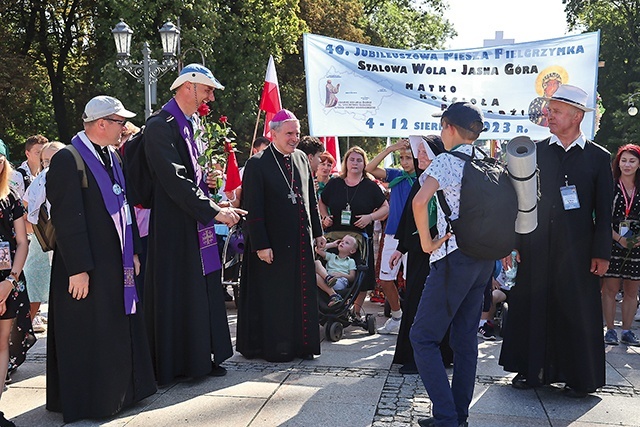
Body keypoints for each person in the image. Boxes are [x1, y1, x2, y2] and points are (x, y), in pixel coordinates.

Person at [46, 95, 156, 422]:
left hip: (115, 264)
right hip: (87, 267)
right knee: (90, 332)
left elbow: (126, 207)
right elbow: (67, 218)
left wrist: (133, 251)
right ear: (101, 124)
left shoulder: (113, 156)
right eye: (120, 122)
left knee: (116, 328)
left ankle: (122, 393)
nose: (125, 128)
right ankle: (92, 401)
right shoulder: (69, 158)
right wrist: (78, 269)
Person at [499, 84, 613, 398]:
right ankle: (531, 371)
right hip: (535, 246)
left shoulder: (598, 158)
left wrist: (602, 252)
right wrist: (514, 242)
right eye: (549, 110)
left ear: (577, 116)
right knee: (533, 306)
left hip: (578, 251)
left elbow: (604, 211)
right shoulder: (534, 151)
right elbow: (518, 201)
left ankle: (579, 377)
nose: (549, 115)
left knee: (576, 310)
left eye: (557, 111)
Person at [143, 64, 244, 385]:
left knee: (201, 289)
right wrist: (213, 211)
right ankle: (176, 365)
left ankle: (201, 358)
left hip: (195, 222)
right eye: (209, 90)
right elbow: (174, 179)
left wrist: (215, 199)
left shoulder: (191, 123)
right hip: (174, 227)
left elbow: (192, 177)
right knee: (180, 291)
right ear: (189, 87)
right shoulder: (160, 125)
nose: (212, 97)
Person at [411, 102, 495, 427]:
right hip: (481, 260)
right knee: (465, 341)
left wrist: (425, 242)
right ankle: (458, 416)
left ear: (448, 126)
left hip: (452, 258)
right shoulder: (486, 161)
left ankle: (446, 418)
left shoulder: (446, 161)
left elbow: (420, 201)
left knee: (422, 337)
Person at [236, 109, 325, 362]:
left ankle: (302, 345)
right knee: (277, 297)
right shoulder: (257, 164)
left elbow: (310, 199)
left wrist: (318, 233)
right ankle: (278, 348)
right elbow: (253, 208)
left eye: (297, 133)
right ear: (273, 133)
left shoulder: (300, 159)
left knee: (301, 295)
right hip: (272, 245)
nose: (294, 138)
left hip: (301, 242)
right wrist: (261, 245)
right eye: (289, 133)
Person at [389, 135, 451, 374]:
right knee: (415, 303)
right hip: (418, 256)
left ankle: (438, 355)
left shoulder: (445, 181)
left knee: (437, 305)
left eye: (425, 152)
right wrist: (400, 248)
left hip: (442, 253)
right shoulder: (420, 182)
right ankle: (414, 356)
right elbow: (409, 219)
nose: (420, 157)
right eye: (419, 153)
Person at [319, 146, 389, 315]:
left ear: (364, 164)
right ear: (346, 162)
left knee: (360, 274)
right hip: (335, 236)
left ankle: (355, 311)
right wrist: (324, 217)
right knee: (328, 268)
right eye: (352, 159)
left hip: (360, 237)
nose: (355, 163)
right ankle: (329, 302)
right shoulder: (335, 182)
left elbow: (385, 208)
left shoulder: (370, 186)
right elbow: (322, 201)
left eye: (359, 160)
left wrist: (369, 218)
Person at [365, 139, 416, 335]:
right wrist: (391, 149)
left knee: (414, 280)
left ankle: (413, 319)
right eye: (401, 158)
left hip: (414, 236)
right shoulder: (396, 175)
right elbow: (370, 168)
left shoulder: (425, 178)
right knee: (385, 278)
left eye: (408, 158)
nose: (404, 162)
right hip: (393, 233)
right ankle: (397, 316)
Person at [0, 140, 29, 427]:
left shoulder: (11, 198)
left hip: (7, 282)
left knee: (1, 345)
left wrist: (10, 280)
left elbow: (22, 242)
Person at [601, 144, 640, 346]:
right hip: (613, 241)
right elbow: (600, 217)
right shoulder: (611, 186)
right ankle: (610, 330)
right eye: (623, 160)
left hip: (637, 245)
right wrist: (618, 238)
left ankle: (627, 330)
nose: (627, 164)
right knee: (610, 288)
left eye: (632, 160)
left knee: (632, 290)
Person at [315, 234, 358, 307]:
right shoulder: (332, 256)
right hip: (327, 279)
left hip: (340, 280)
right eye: (342, 241)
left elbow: (352, 277)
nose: (342, 243)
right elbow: (318, 250)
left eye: (346, 243)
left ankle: (331, 285)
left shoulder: (350, 261)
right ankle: (328, 278)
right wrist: (332, 244)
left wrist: (341, 274)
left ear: (352, 250)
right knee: (316, 263)